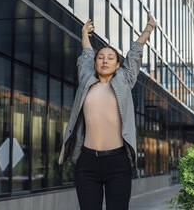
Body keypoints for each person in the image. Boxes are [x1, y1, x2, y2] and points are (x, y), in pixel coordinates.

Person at [58, 12, 157, 210]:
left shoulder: (124, 79)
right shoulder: (87, 78)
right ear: (95, 63)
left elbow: (135, 53)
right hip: (87, 162)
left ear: (118, 64)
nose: (105, 60)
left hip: (118, 162)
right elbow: (86, 54)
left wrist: (149, 28)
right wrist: (84, 34)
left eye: (110, 58)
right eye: (101, 57)